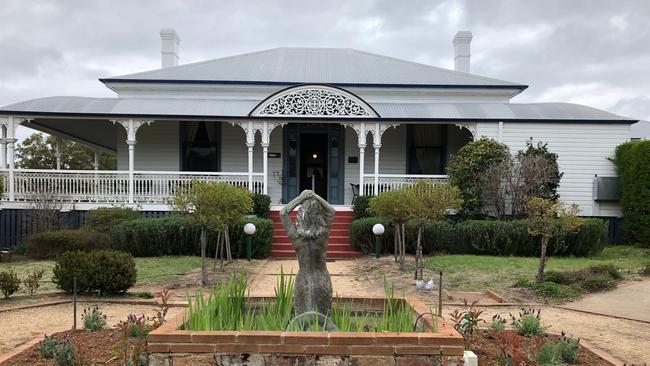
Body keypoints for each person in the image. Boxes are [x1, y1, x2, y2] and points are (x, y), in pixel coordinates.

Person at [279, 189, 335, 316]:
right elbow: (331, 211)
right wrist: (315, 196)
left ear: (301, 216)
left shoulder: (296, 237)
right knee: (324, 320)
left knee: (301, 321)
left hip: (302, 280)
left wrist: (299, 199)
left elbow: (283, 213)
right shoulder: (323, 234)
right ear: (319, 216)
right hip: (322, 280)